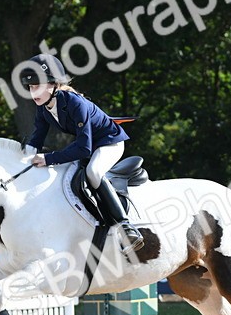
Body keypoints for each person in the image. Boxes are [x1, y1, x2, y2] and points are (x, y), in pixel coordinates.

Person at [21, 54, 144, 253]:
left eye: (37, 86)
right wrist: (23, 159)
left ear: (53, 85)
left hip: (109, 142)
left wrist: (48, 158)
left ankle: (125, 227)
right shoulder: (44, 109)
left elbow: (83, 148)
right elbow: (36, 139)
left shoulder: (74, 103)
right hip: (89, 146)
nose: (33, 92)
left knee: (93, 173)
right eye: (30, 87)